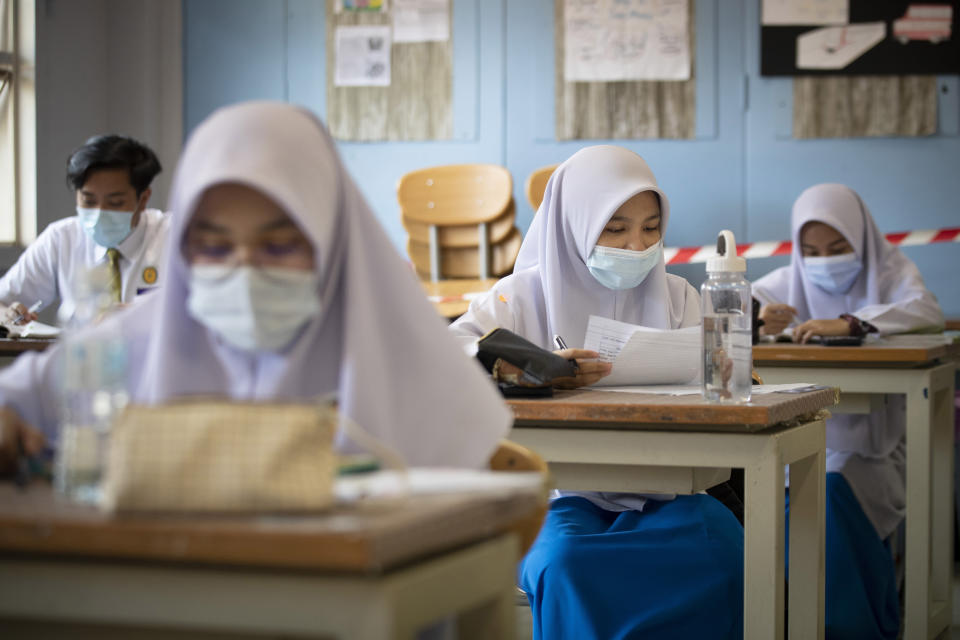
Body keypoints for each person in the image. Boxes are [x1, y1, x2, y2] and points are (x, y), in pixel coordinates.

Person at [0, 101, 511, 478]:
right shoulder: (128, 344)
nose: (244, 272)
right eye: (215, 247)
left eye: (280, 246)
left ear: (330, 246)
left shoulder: (411, 369)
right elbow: (19, 398)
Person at [450, 145, 744, 639]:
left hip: (666, 495)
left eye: (651, 228)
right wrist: (538, 368)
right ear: (574, 223)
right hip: (556, 498)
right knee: (567, 564)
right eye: (615, 228)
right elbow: (450, 355)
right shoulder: (519, 296)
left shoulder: (680, 297)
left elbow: (717, 385)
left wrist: (719, 370)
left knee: (724, 548)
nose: (636, 246)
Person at [754, 183, 944, 639]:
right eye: (812, 250)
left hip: (876, 452)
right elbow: (733, 309)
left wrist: (851, 323)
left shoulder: (893, 273)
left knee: (832, 497)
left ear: (862, 239)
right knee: (775, 504)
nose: (824, 261)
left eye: (839, 248)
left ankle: (855, 628)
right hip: (795, 453)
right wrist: (760, 322)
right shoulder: (788, 281)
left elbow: (924, 309)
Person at [0, 135, 169, 327]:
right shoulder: (61, 239)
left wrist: (144, 314)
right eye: (88, 201)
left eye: (115, 203)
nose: (99, 213)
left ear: (144, 199)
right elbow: (3, 301)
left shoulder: (174, 236)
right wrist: (8, 314)